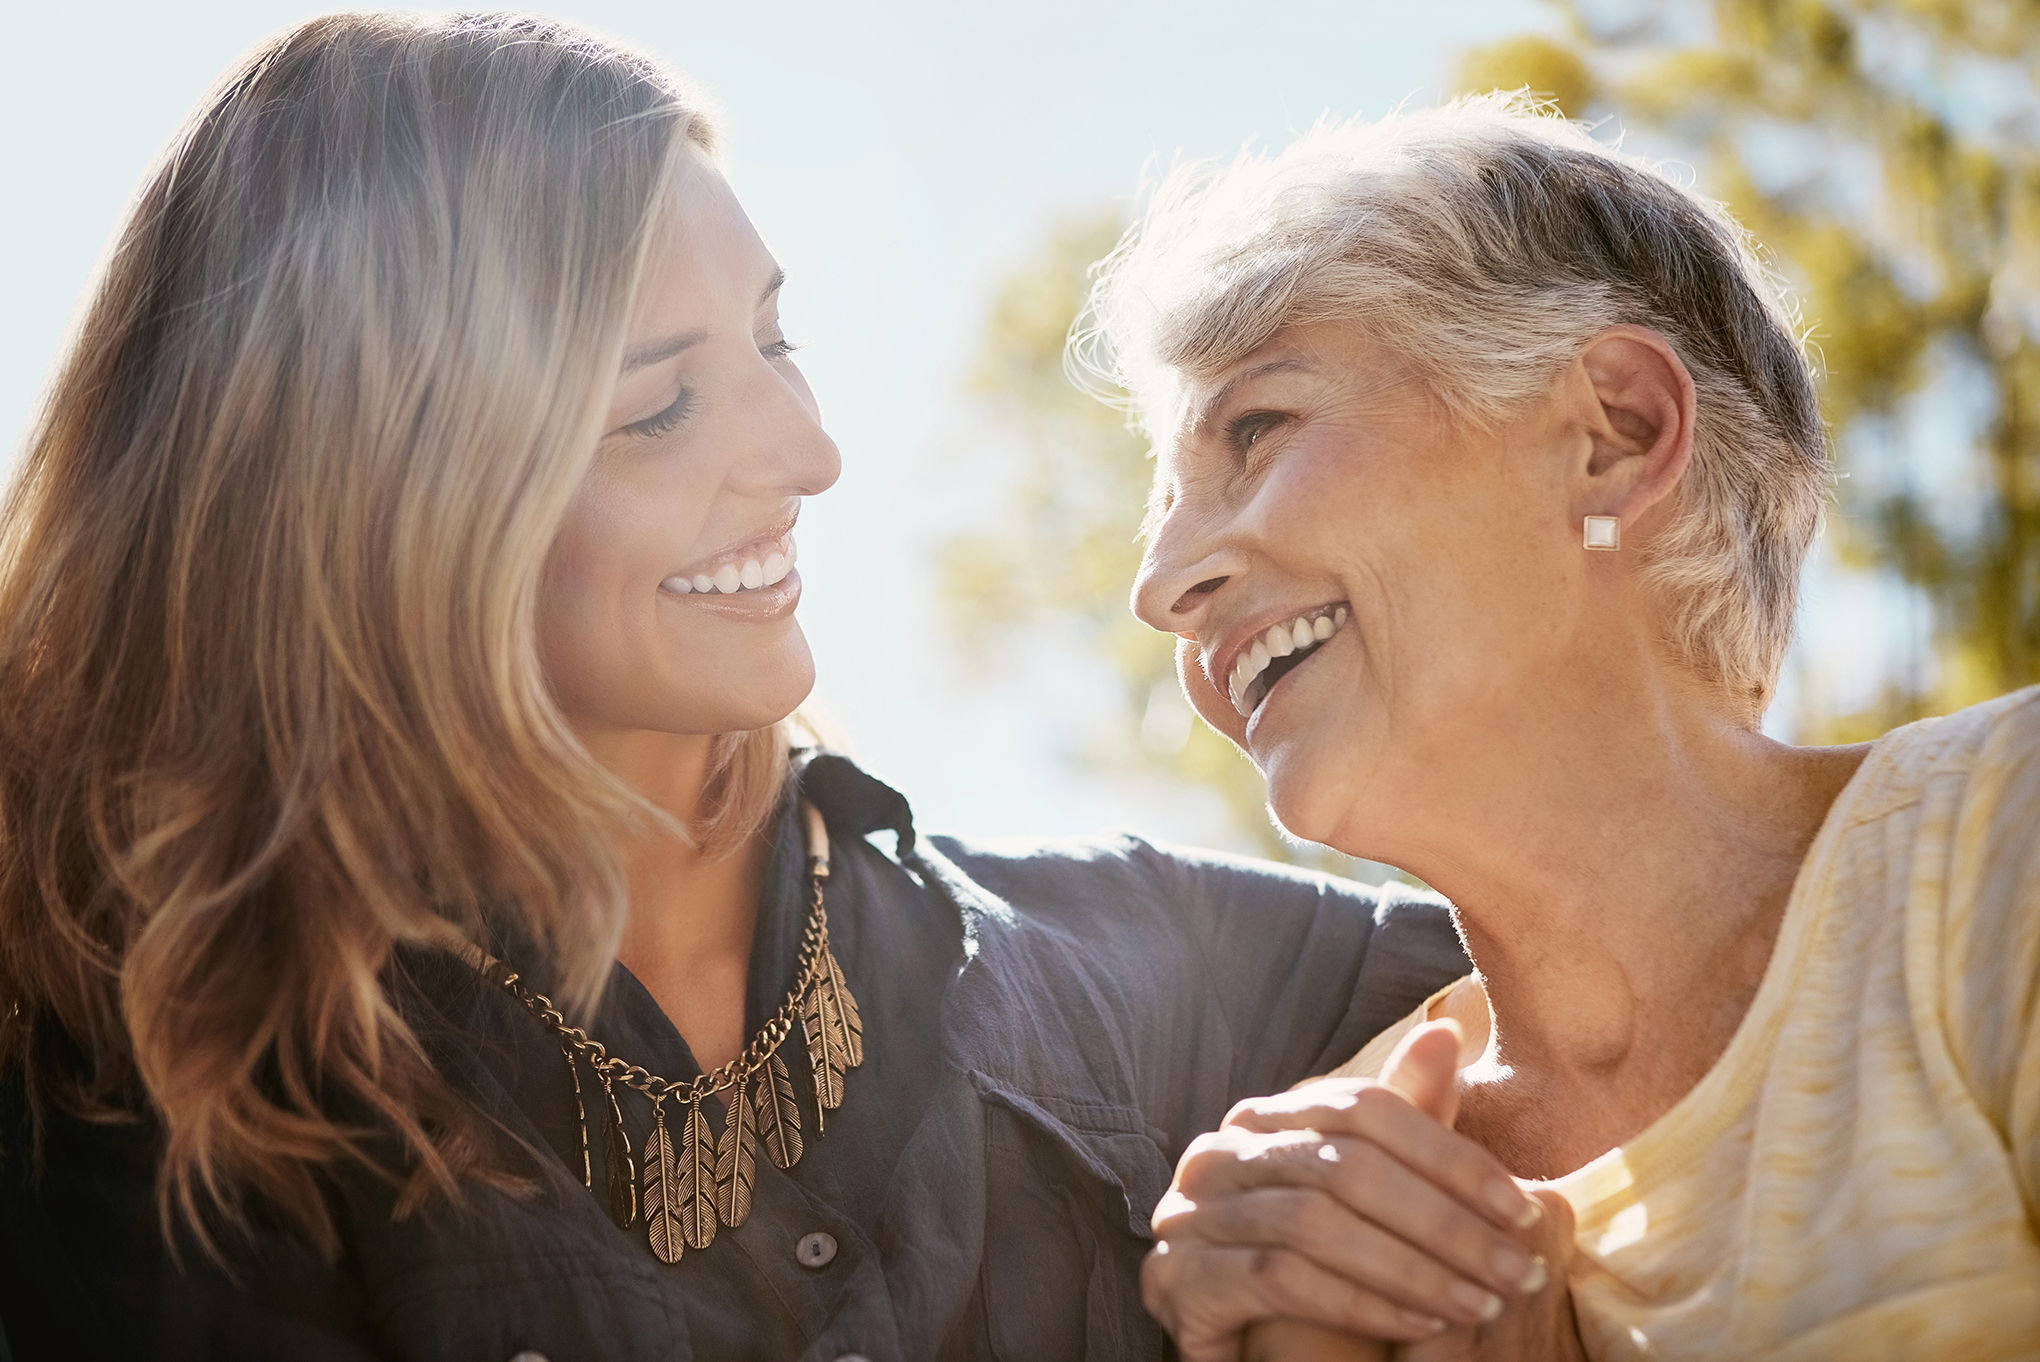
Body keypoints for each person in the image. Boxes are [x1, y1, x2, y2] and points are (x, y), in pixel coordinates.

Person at [0, 15, 1476, 1361]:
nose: (806, 453)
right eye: (658, 405)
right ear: (371, 508)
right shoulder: (143, 1079)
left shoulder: (1146, 970)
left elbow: (1634, 976)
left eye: (778, 340)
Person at [1084, 96, 2040, 1360]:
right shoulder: (1344, 1181)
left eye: (1257, 428)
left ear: (1615, 436)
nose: (1162, 584)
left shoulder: (2003, 851)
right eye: (1164, 510)